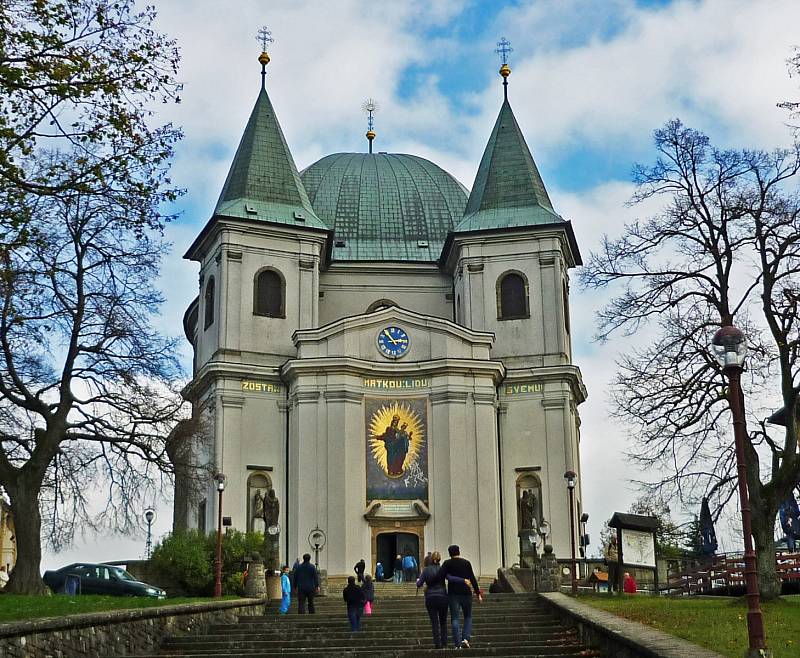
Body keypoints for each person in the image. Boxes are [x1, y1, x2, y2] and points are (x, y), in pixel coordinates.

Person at [431, 544, 482, 650]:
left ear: (449, 553)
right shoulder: (466, 563)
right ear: (459, 552)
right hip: (466, 593)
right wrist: (478, 593)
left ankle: (457, 643)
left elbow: (439, 576)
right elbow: (472, 578)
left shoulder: (447, 563)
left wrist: (430, 583)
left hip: (453, 594)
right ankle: (465, 639)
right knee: (468, 616)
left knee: (455, 618)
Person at [416, 550, 450, 649]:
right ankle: (444, 643)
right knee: (443, 622)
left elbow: (419, 584)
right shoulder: (442, 569)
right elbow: (449, 578)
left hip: (430, 597)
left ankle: (437, 644)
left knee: (434, 622)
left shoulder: (426, 570)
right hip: (442, 596)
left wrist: (418, 581)